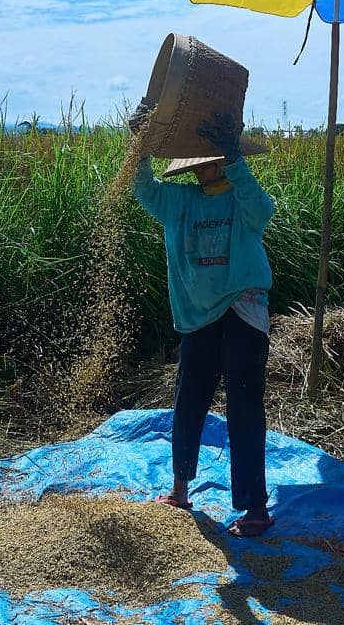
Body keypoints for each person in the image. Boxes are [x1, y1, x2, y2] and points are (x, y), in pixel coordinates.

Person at [129, 104, 275, 538]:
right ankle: (179, 490)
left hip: (242, 307)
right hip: (198, 315)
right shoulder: (180, 203)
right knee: (189, 397)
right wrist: (137, 144)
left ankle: (254, 508)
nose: (205, 167)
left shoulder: (242, 196)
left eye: (216, 159)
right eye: (205, 159)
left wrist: (236, 159)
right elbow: (145, 189)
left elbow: (262, 211)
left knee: (244, 402)